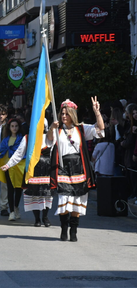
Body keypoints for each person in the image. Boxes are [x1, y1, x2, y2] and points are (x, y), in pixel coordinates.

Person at [48, 97, 104, 242]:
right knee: (64, 199)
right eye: (62, 114)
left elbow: (100, 129)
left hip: (79, 167)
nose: (64, 116)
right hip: (62, 168)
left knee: (77, 200)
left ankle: (74, 230)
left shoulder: (81, 128)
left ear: (72, 114)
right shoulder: (57, 129)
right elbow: (48, 141)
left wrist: (97, 112)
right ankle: (64, 229)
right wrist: (51, 128)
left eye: (66, 114)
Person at [1, 119, 53, 227]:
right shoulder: (28, 138)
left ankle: (45, 217)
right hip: (33, 169)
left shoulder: (50, 137)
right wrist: (8, 164)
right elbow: (18, 154)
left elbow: (56, 152)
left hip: (47, 170)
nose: (39, 127)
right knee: (35, 194)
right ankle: (37, 219)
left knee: (47, 194)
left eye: (42, 125)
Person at [0, 119, 25, 221]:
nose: (14, 128)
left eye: (16, 126)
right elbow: (1, 152)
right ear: (9, 128)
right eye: (12, 126)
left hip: (19, 167)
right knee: (10, 189)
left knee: (18, 189)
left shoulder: (22, 139)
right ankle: (12, 212)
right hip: (8, 167)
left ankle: (16, 207)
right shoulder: (5, 140)